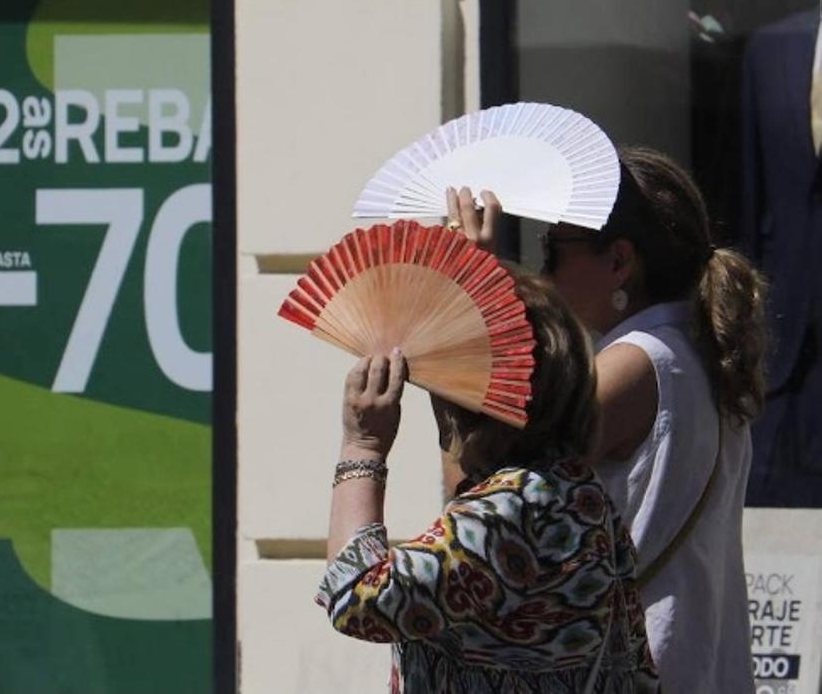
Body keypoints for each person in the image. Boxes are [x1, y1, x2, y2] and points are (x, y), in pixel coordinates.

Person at [448, 146, 765, 694]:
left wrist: (473, 312)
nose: (542, 270)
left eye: (553, 249)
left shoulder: (635, 364)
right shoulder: (690, 352)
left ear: (619, 261)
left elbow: (491, 503)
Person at [318, 266, 659, 694]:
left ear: (472, 396)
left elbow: (355, 597)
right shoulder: (575, 491)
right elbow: (634, 667)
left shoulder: (508, 510)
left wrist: (362, 446)